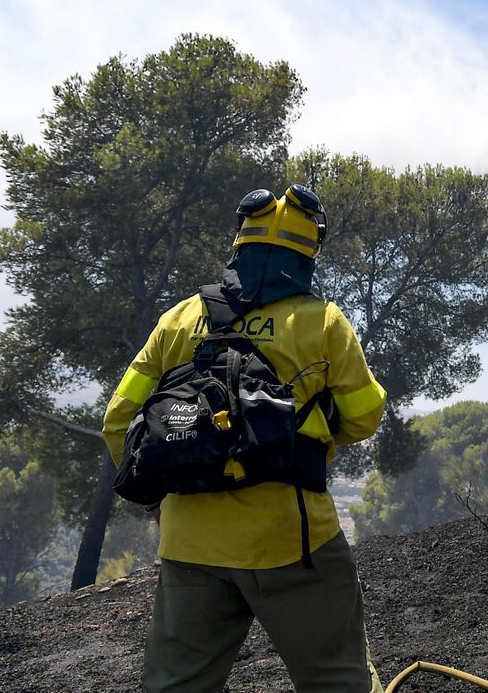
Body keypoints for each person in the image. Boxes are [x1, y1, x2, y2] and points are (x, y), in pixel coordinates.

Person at [103, 185, 387, 693]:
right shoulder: (323, 323)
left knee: (177, 686)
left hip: (190, 542)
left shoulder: (180, 319)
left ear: (240, 243)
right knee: (336, 678)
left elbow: (119, 420)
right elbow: (364, 416)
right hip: (294, 539)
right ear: (309, 252)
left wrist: (157, 500)